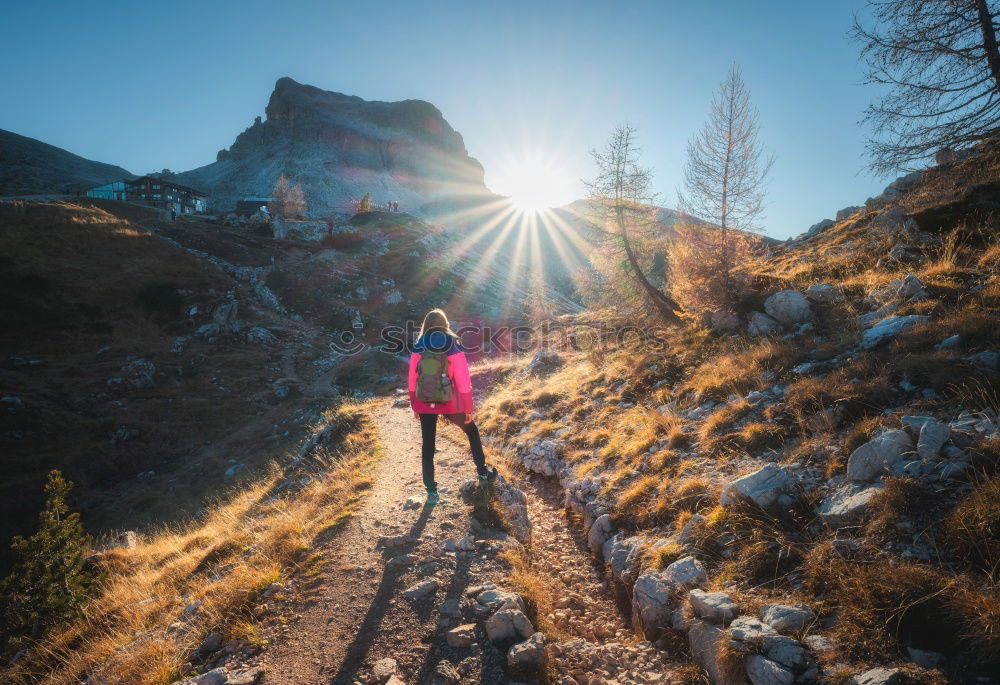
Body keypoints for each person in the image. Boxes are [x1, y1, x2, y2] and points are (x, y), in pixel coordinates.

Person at [408, 308, 497, 505]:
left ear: (426, 325)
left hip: (425, 402)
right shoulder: (453, 344)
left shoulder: (419, 346)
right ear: (445, 323)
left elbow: (412, 379)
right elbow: (464, 379)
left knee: (428, 445)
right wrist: (467, 407)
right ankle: (483, 473)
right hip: (451, 402)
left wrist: (415, 404)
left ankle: (431, 491)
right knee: (472, 431)